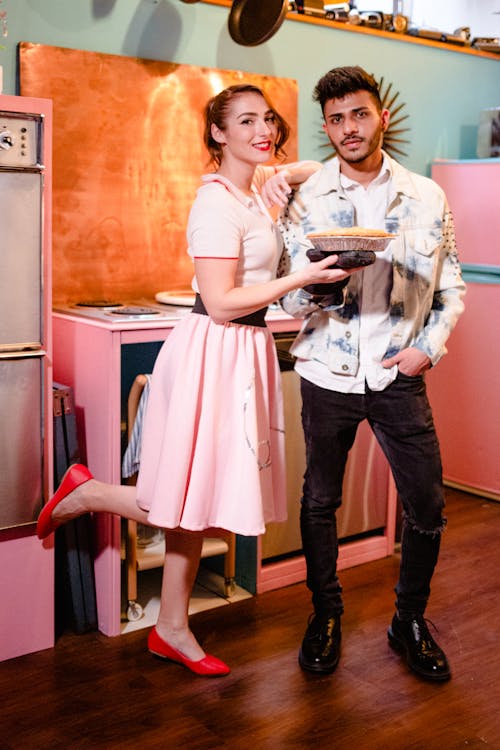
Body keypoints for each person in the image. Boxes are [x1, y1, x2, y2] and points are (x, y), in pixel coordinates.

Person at [37, 83, 360, 677]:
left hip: (244, 350)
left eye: (267, 119)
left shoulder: (254, 193)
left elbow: (315, 166)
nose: (262, 130)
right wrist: (300, 278)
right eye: (243, 121)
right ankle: (89, 494)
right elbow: (218, 302)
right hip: (215, 347)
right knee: (190, 494)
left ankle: (170, 628)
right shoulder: (216, 203)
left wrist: (275, 171)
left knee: (202, 495)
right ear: (216, 133)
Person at [278, 66, 466, 682]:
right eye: (335, 119)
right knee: (319, 500)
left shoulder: (425, 196)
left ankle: (408, 621)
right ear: (327, 126)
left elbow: (451, 285)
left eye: (358, 114)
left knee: (428, 505)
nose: (347, 129)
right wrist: (318, 288)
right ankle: (325, 614)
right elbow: (287, 297)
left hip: (399, 372)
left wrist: (428, 350)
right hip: (327, 368)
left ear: (380, 116)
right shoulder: (307, 197)